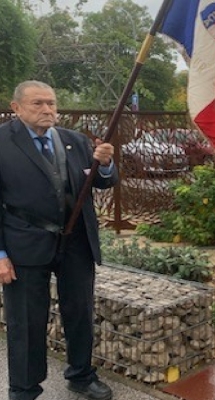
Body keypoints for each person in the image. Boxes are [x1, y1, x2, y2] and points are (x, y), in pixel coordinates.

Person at [0, 81, 118, 400]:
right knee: (26, 322)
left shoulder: (75, 140)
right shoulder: (2, 143)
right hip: (24, 243)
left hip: (76, 242)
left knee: (80, 312)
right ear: (16, 108)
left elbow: (105, 182)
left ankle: (81, 375)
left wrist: (105, 163)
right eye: (37, 103)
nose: (47, 110)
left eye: (51, 103)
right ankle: (24, 389)